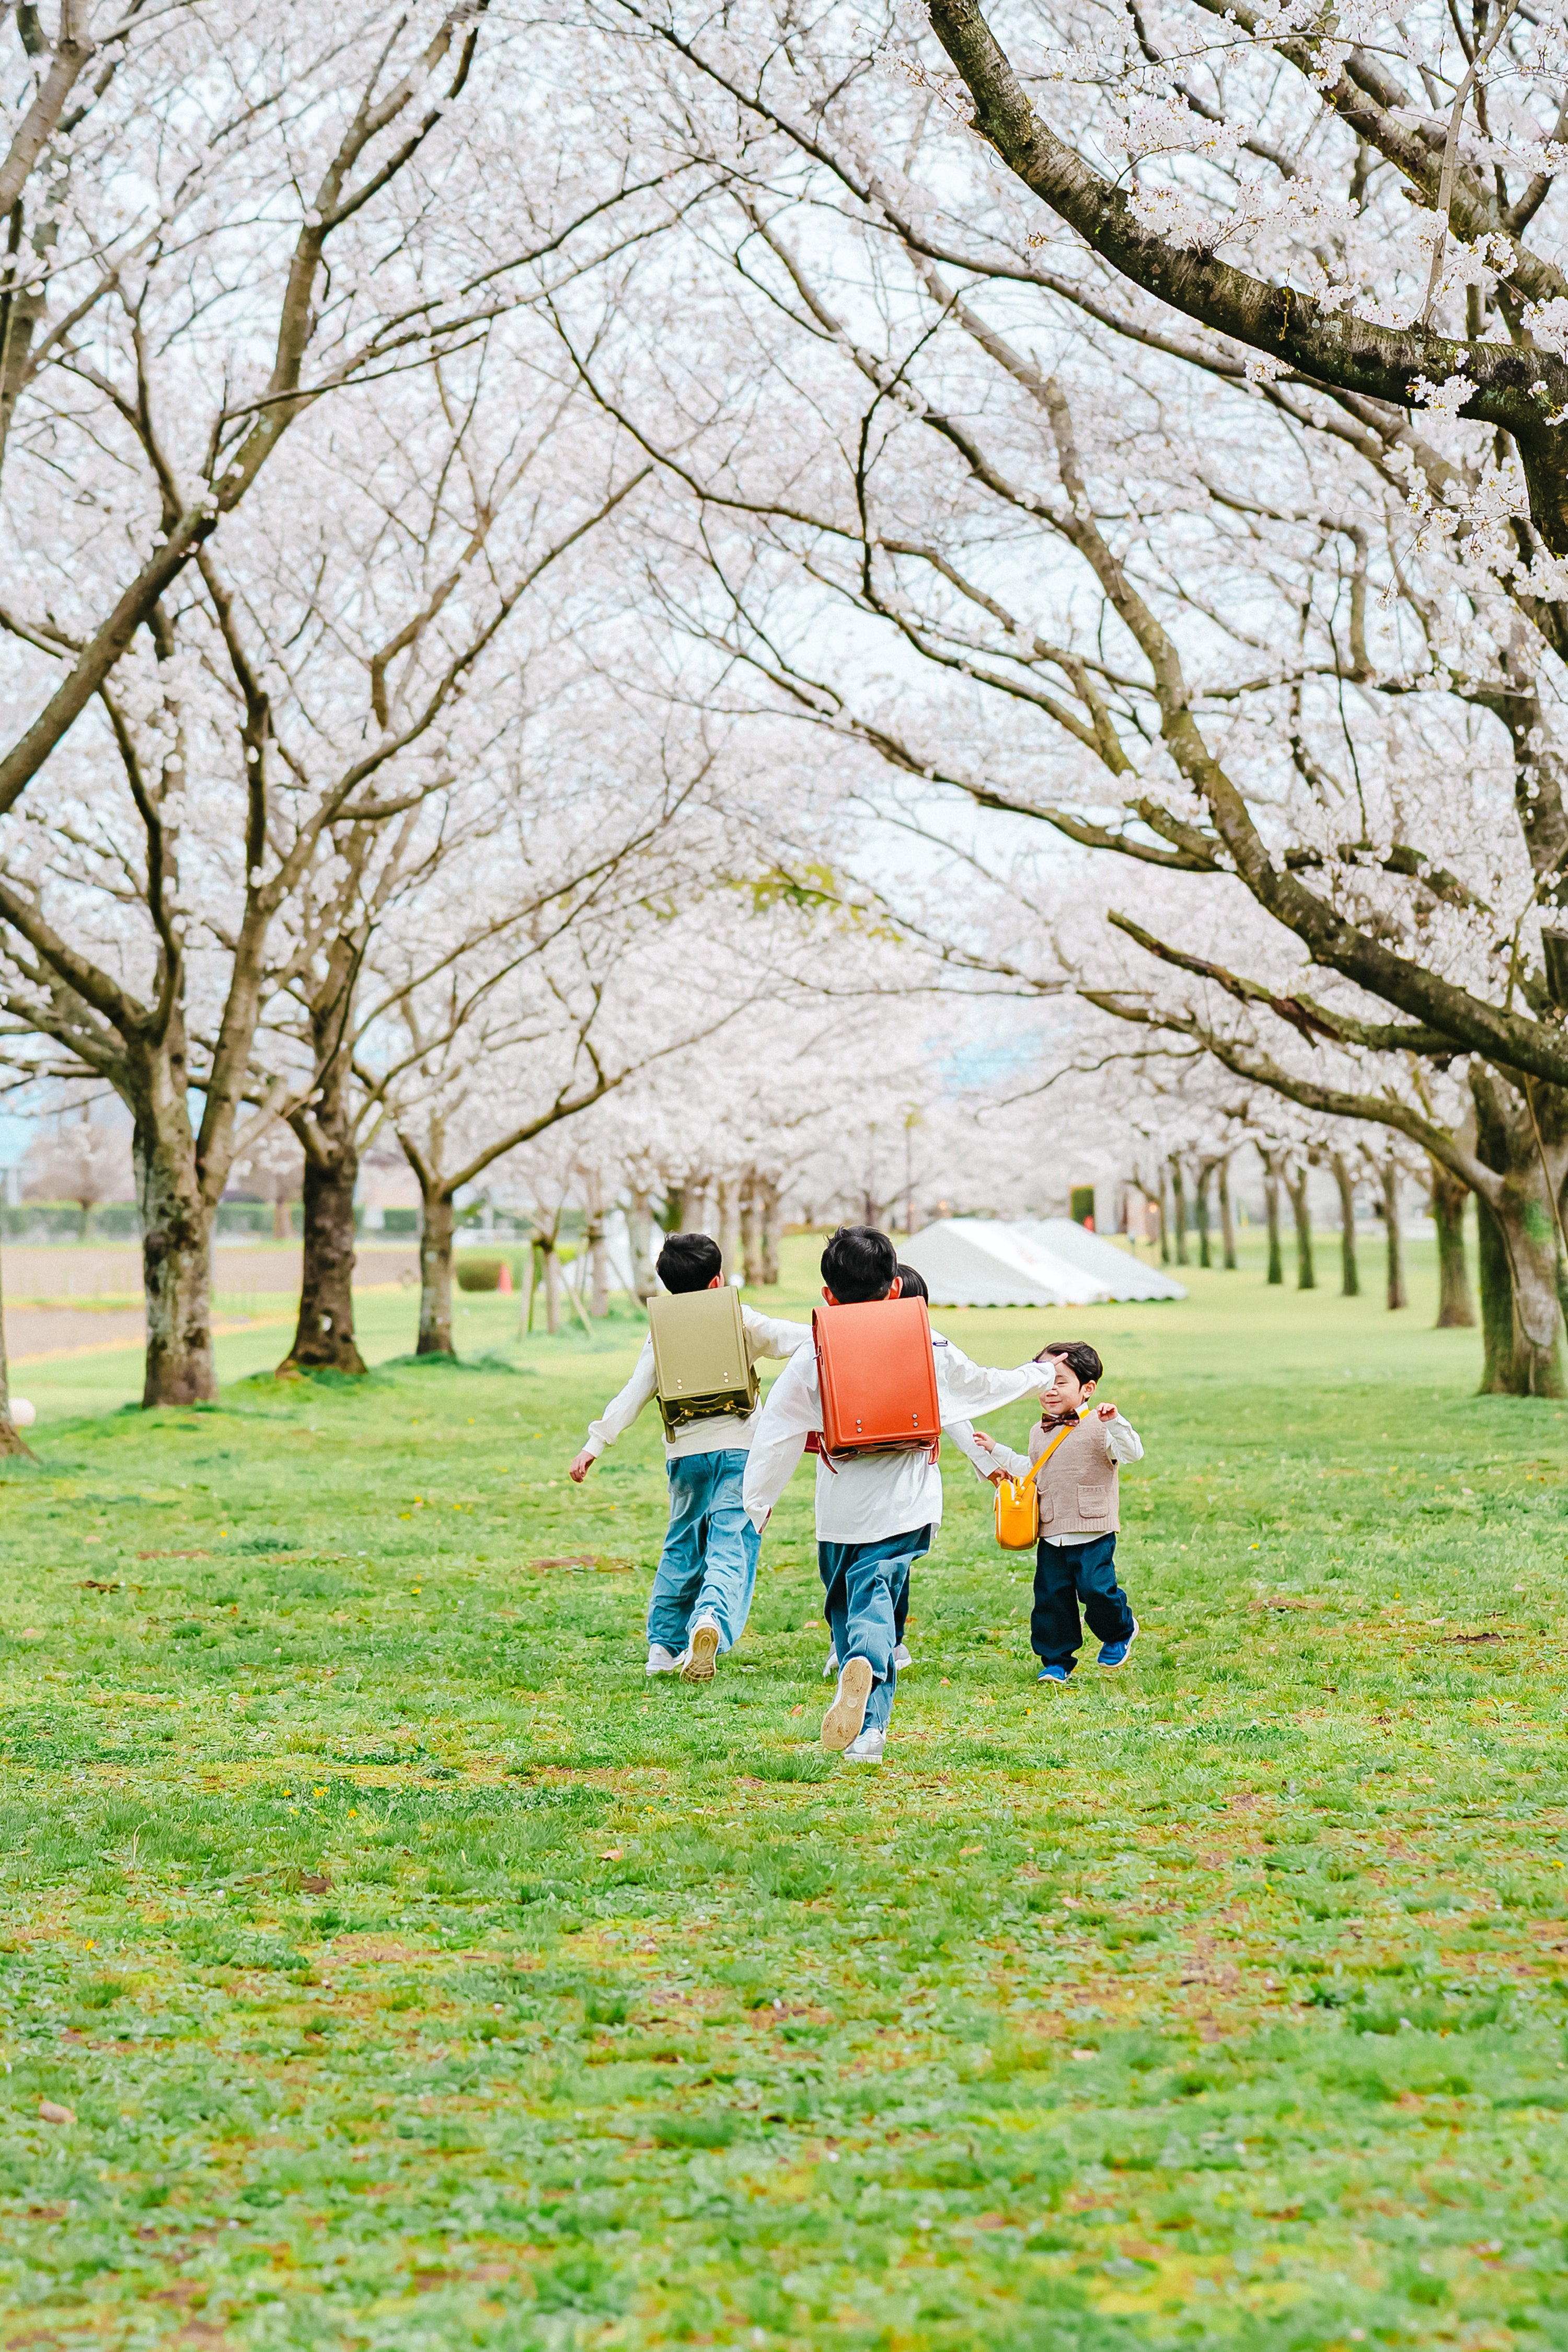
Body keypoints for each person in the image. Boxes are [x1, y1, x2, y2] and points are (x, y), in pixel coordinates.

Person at [743, 1225, 1061, 1763]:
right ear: (895, 1287)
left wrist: (757, 1506)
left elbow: (775, 1434)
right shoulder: (929, 1343)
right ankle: (866, 1708)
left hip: (840, 1509)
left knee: (851, 1602)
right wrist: (1038, 1373)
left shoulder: (811, 1354)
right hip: (908, 1506)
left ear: (827, 1295)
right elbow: (980, 1386)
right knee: (870, 1602)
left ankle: (864, 1696)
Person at [568, 1232, 810, 1684]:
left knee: (682, 1543)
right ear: (718, 1281)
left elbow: (635, 1392)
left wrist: (595, 1444)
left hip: (685, 1457)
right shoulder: (738, 1317)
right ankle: (711, 1619)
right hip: (739, 1451)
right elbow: (788, 1339)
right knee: (729, 1542)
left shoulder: (661, 1332)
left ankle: (662, 1645)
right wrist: (834, 1330)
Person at [961, 1340, 1143, 1684]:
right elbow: (1032, 1469)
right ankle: (1056, 1660)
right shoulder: (1038, 1431)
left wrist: (1116, 1422)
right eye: (1045, 1382)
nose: (1051, 1390)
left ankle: (1120, 1630)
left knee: (1097, 1590)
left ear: (1087, 1388)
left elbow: (1131, 1453)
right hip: (1051, 1531)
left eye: (1060, 1382)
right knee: (1051, 1599)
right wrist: (995, 1449)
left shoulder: (1101, 1427)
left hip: (1092, 1529)